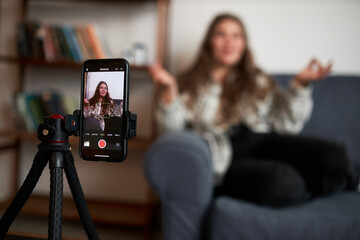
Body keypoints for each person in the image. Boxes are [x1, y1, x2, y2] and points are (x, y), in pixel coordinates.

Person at [149, 13, 359, 207]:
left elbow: (287, 126)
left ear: (244, 44)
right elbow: (171, 135)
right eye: (221, 34)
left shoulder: (258, 81)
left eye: (236, 35)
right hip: (224, 156)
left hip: (263, 140)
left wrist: (299, 86)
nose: (229, 41)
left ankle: (337, 181)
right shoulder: (186, 84)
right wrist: (169, 92)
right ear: (209, 43)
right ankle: (307, 187)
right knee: (281, 182)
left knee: (335, 156)